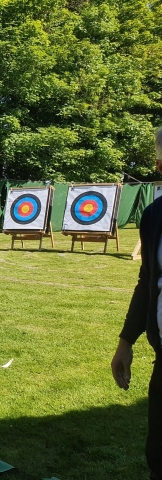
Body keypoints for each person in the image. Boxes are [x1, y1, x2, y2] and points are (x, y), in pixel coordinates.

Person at [111, 127, 162, 480]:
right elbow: (148, 281)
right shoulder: (155, 216)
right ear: (160, 164)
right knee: (158, 456)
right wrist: (126, 341)